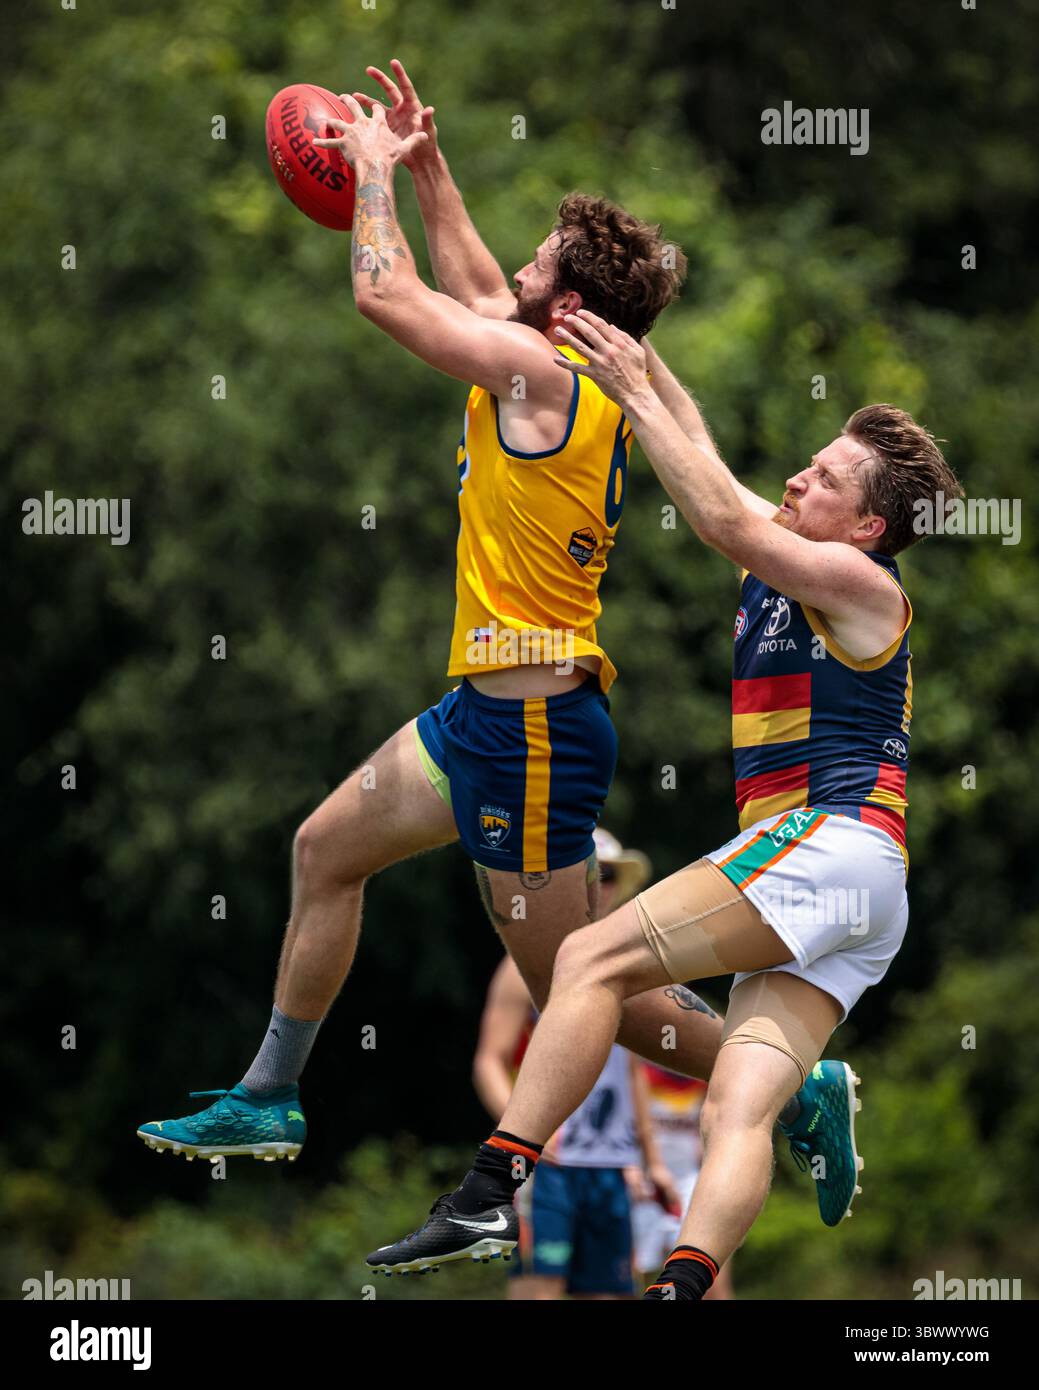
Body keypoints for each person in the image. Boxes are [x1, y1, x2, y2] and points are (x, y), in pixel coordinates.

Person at [137, 64, 856, 1218]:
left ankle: (797, 1083)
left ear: (565, 309)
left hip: (532, 730)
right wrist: (427, 166)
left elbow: (388, 296)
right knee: (325, 850)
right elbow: (474, 280)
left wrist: (368, 176)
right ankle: (270, 1094)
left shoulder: (538, 370)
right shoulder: (549, 356)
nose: (512, 270)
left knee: (583, 991)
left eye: (537, 265)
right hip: (480, 714)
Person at [367, 306, 962, 1295]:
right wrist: (644, 369)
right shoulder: (788, 560)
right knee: (735, 1106)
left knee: (588, 959)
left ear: (867, 525)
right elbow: (714, 477)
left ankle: (485, 1188)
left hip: (830, 844)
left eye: (825, 476)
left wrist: (631, 393)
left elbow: (721, 516)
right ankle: (680, 1287)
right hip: (858, 888)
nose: (798, 477)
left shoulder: (861, 582)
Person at [473, 829, 671, 1299]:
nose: (598, 886)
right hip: (550, 1167)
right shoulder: (528, 962)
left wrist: (653, 1159)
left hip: (611, 1165)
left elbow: (632, 1070)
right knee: (541, 1289)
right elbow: (488, 1061)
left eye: (607, 876)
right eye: (588, 874)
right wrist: (521, 1140)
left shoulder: (632, 967)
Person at [631, 1060, 734, 1299]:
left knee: (711, 1276)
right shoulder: (638, 1065)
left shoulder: (707, 1064)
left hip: (691, 1180)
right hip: (645, 1184)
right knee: (635, 1276)